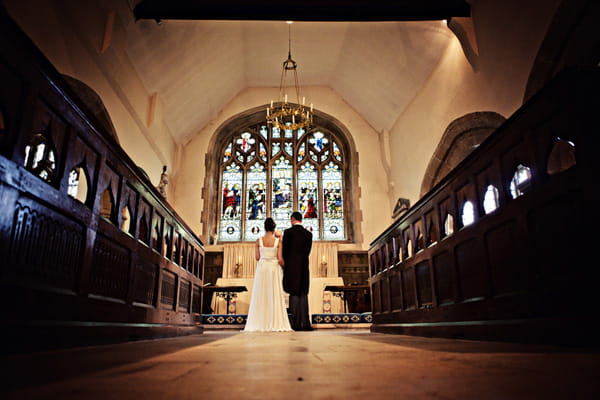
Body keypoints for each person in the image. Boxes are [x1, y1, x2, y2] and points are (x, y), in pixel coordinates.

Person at [243, 218, 292, 332]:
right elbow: (280, 259)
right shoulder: (278, 241)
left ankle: (260, 321)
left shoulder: (258, 240)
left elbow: (257, 257)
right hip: (274, 269)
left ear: (265, 228)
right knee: (274, 294)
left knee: (261, 294)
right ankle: (274, 321)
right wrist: (286, 267)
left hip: (262, 269)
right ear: (274, 228)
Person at [282, 211, 313, 331]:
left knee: (294, 293)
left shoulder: (288, 233)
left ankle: (295, 323)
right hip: (304, 266)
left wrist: (286, 265)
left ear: (293, 219)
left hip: (291, 267)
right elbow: (307, 252)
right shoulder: (308, 234)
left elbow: (285, 251)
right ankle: (305, 323)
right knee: (303, 293)